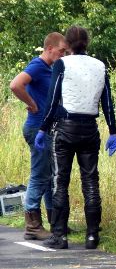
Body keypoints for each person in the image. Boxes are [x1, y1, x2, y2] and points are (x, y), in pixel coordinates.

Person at [37, 26, 116, 250]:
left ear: (68, 44)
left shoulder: (63, 64)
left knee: (60, 181)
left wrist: (43, 129)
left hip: (65, 128)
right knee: (91, 182)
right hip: (90, 129)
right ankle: (92, 235)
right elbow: (108, 103)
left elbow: (53, 100)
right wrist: (113, 131)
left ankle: (59, 236)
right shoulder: (100, 66)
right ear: (87, 43)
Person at [9, 33, 68, 240]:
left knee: (49, 176)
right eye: (61, 51)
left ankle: (55, 222)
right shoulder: (37, 65)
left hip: (46, 130)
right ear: (50, 48)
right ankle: (32, 226)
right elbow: (16, 84)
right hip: (36, 129)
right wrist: (32, 104)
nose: (63, 55)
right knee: (40, 175)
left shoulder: (49, 69)